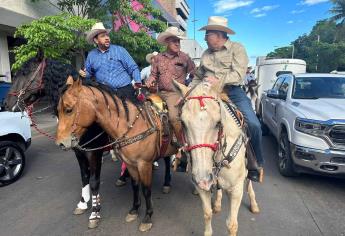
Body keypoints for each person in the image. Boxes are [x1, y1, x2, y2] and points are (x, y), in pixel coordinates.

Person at [190, 16, 264, 182]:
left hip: (232, 92)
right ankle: (186, 158)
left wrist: (219, 81)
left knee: (253, 124)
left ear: (219, 34)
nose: (204, 37)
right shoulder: (205, 54)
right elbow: (198, 76)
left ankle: (256, 163)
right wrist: (188, 93)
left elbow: (238, 74)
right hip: (208, 93)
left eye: (207, 34)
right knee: (189, 119)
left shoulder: (237, 48)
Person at [79, 22, 142, 186]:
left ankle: (138, 155)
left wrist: (138, 81)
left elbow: (133, 67)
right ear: (95, 40)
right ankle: (100, 148)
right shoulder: (91, 56)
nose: (107, 37)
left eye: (106, 34)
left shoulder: (119, 50)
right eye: (102, 35)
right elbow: (88, 75)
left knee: (134, 124)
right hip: (105, 95)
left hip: (125, 91)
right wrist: (84, 75)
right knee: (100, 124)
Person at [146, 27, 195, 155]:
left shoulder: (185, 58)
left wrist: (189, 88)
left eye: (178, 41)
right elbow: (153, 75)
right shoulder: (158, 58)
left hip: (175, 94)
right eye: (174, 41)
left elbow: (195, 74)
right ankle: (150, 142)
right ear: (167, 41)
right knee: (144, 110)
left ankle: (183, 145)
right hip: (159, 93)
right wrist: (150, 80)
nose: (177, 43)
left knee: (173, 117)